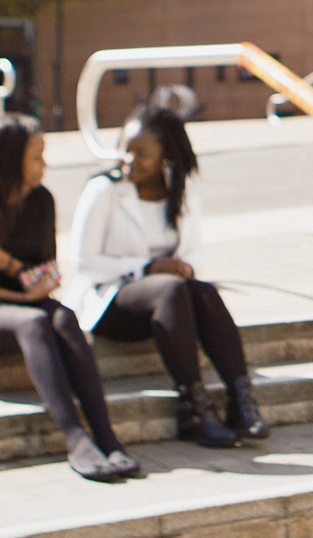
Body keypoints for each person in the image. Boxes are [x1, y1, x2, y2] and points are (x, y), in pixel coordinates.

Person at [0, 113, 138, 482]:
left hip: (25, 299)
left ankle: (107, 436)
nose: (44, 165)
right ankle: (77, 439)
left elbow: (47, 274)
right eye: (36, 156)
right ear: (9, 159)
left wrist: (0, 259)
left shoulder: (41, 200)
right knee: (33, 321)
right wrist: (21, 293)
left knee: (64, 317)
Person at [68, 104, 268, 448]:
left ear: (166, 155)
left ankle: (240, 398)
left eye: (141, 154)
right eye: (125, 149)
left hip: (171, 305)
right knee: (172, 290)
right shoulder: (103, 190)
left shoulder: (182, 190)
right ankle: (193, 408)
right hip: (110, 301)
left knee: (201, 291)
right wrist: (145, 268)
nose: (128, 159)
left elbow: (194, 251)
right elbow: (83, 262)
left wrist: (185, 266)